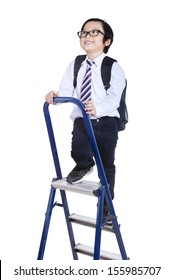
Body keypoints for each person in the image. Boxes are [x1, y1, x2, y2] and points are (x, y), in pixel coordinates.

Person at [45, 18, 125, 218]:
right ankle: (84, 164)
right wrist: (55, 97)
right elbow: (66, 90)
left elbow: (114, 98)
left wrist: (98, 108)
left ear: (107, 41)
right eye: (84, 33)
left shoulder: (113, 68)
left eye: (94, 32)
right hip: (82, 120)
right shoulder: (76, 64)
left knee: (107, 165)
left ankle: (106, 207)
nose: (87, 36)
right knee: (78, 148)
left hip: (106, 123)